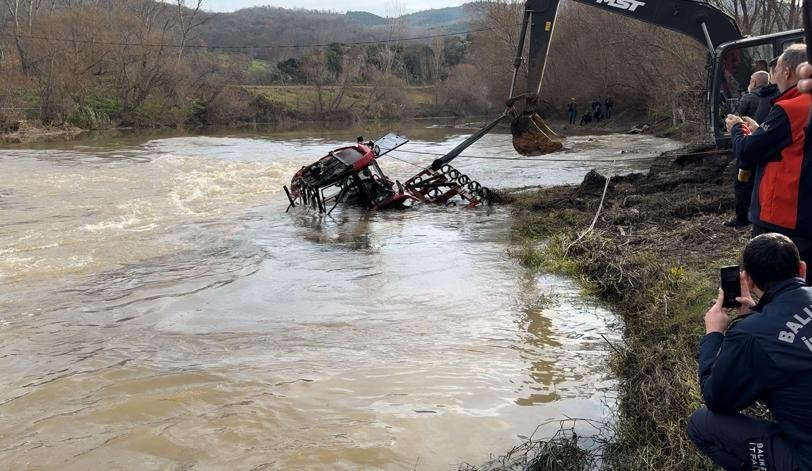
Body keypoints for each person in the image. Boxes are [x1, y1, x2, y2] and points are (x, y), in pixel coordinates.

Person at [688, 233, 812, 470]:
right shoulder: (756, 332)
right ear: (802, 269)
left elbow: (717, 398)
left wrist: (714, 335)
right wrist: (756, 317)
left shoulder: (752, 336)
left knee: (701, 424)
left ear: (749, 280)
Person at [725, 44, 812, 280]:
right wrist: (759, 130)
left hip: (784, 216)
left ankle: (773, 315)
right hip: (803, 214)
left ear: (787, 72)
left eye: (777, 69)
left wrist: (737, 129)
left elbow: (747, 152)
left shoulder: (792, 107)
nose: (773, 76)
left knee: (775, 282)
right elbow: (789, 145)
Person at [724, 70, 775, 228]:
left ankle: (741, 218)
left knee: (742, 182)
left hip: (747, 146)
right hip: (765, 147)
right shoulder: (774, 96)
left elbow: (736, 117)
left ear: (753, 83)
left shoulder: (749, 97)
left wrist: (734, 127)